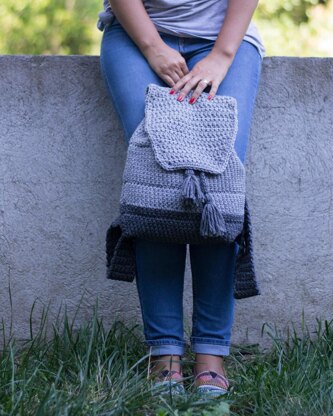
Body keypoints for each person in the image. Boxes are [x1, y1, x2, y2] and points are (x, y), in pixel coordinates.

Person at [97, 0, 265, 396]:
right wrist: (154, 47)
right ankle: (165, 353)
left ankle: (211, 353)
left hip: (226, 38)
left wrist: (222, 56)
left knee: (218, 186)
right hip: (137, 36)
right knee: (156, 185)